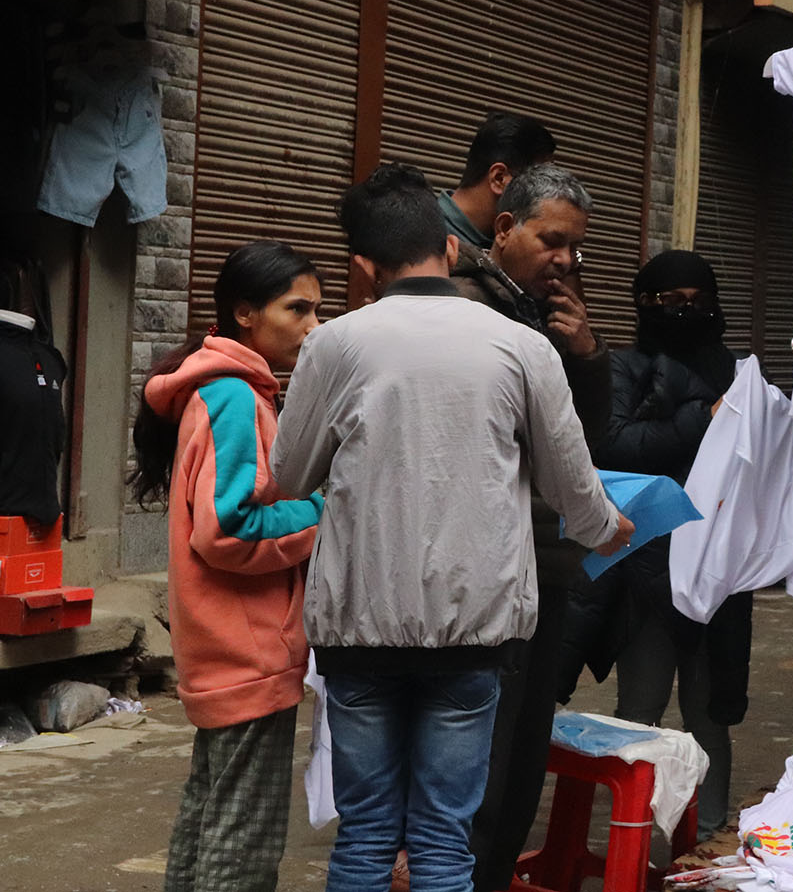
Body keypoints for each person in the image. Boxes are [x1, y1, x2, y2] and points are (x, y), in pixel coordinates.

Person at [269, 163, 633, 892]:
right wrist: (608, 527)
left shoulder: (334, 345)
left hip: (359, 627)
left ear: (364, 265)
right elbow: (572, 485)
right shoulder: (521, 346)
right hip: (472, 629)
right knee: (443, 841)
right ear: (450, 244)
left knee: (367, 832)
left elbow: (290, 476)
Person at [129, 240, 326, 892]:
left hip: (224, 648)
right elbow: (231, 528)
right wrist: (323, 509)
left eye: (317, 311)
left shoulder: (222, 390)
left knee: (210, 820)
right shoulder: (234, 397)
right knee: (242, 845)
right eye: (297, 308)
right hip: (247, 653)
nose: (312, 327)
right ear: (245, 312)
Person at [455, 163, 610, 892]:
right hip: (484, 568)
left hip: (547, 562)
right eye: (552, 240)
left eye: (575, 248)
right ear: (505, 227)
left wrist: (587, 358)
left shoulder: (552, 319)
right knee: (480, 757)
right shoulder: (464, 308)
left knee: (522, 753)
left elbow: (585, 443)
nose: (565, 260)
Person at [561, 249, 751, 840]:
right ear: (645, 305)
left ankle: (708, 842)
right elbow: (613, 445)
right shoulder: (624, 369)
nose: (688, 311)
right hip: (648, 572)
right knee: (638, 712)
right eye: (673, 301)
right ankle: (633, 841)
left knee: (709, 715)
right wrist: (704, 419)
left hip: (720, 572)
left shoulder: (739, 374)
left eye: (699, 301)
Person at [437, 112, 558, 252]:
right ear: (499, 178)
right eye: (539, 184)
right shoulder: (423, 238)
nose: (545, 198)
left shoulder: (507, 245)